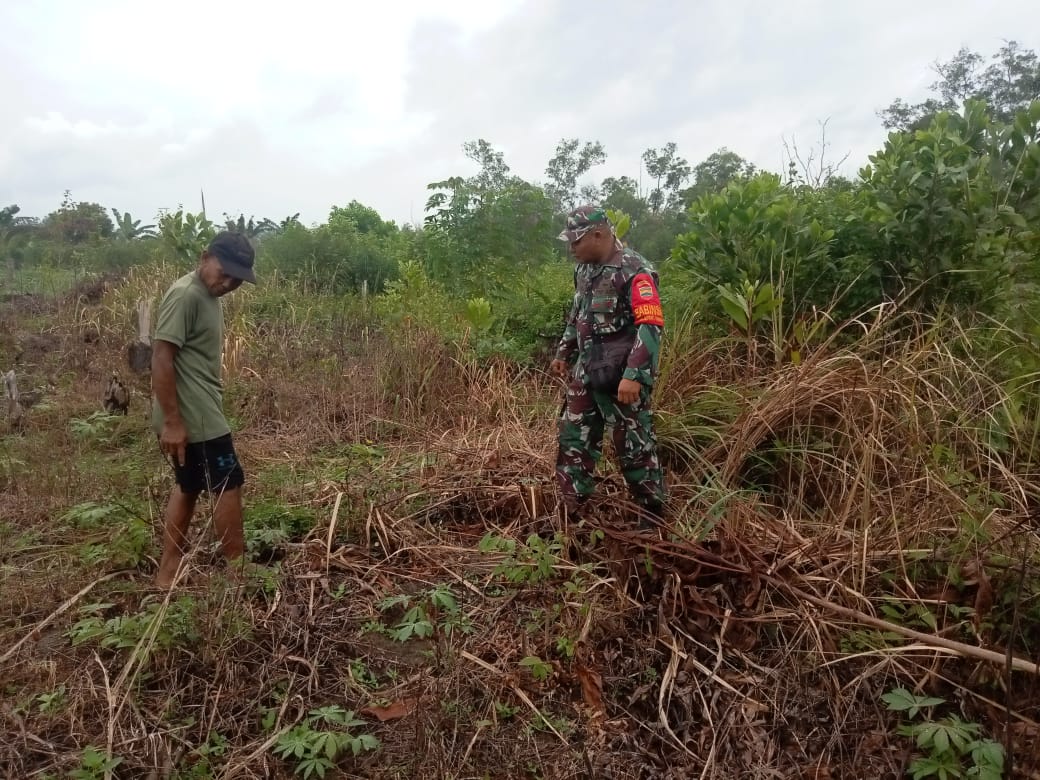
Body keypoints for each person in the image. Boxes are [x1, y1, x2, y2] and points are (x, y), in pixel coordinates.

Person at [152, 231, 256, 589]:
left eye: (237, 279)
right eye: (224, 272)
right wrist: (173, 421)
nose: (228, 283)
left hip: (198, 411)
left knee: (189, 485)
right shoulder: (185, 295)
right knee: (230, 483)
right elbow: (161, 357)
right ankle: (237, 574)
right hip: (192, 417)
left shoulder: (207, 295)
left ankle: (167, 573)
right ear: (205, 256)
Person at [550, 205, 666, 525]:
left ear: (598, 235)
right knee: (574, 438)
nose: (571, 248)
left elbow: (650, 325)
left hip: (621, 376)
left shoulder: (635, 271)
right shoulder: (584, 271)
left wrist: (634, 374)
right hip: (587, 371)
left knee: (633, 445)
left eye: (576, 241)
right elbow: (579, 315)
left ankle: (651, 516)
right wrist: (564, 352)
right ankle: (572, 510)